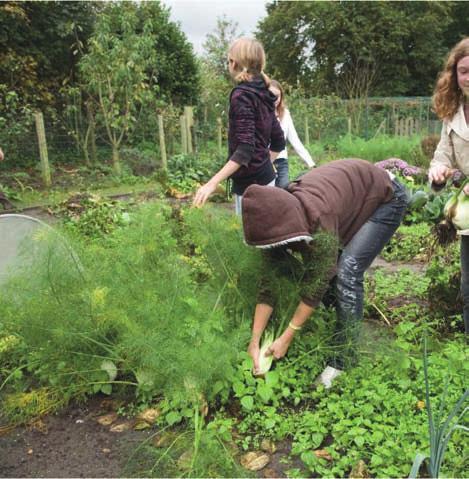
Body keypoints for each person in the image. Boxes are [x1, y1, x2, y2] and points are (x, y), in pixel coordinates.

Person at [242, 159, 408, 388]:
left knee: (347, 271)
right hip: (347, 196)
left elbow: (318, 281)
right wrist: (255, 339)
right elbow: (269, 282)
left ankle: (343, 360)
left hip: (385, 198)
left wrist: (286, 338)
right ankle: (343, 319)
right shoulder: (272, 219)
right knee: (332, 273)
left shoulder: (319, 217)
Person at [193, 38, 285, 214]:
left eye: (228, 60)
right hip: (268, 180)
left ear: (233, 63)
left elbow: (244, 150)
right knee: (267, 237)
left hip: (250, 189)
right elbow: (279, 141)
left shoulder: (242, 95)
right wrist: (264, 165)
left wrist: (211, 183)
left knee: (250, 239)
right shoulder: (263, 92)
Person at [428, 37, 469, 334]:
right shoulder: (453, 114)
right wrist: (438, 170)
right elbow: (443, 153)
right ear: (455, 75)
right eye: (465, 71)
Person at [269, 80, 315, 188]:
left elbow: (295, 141)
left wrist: (311, 163)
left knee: (284, 191)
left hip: (281, 162)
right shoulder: (260, 114)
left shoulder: (285, 114)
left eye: (278, 96)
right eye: (271, 95)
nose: (275, 99)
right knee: (268, 196)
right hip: (265, 163)